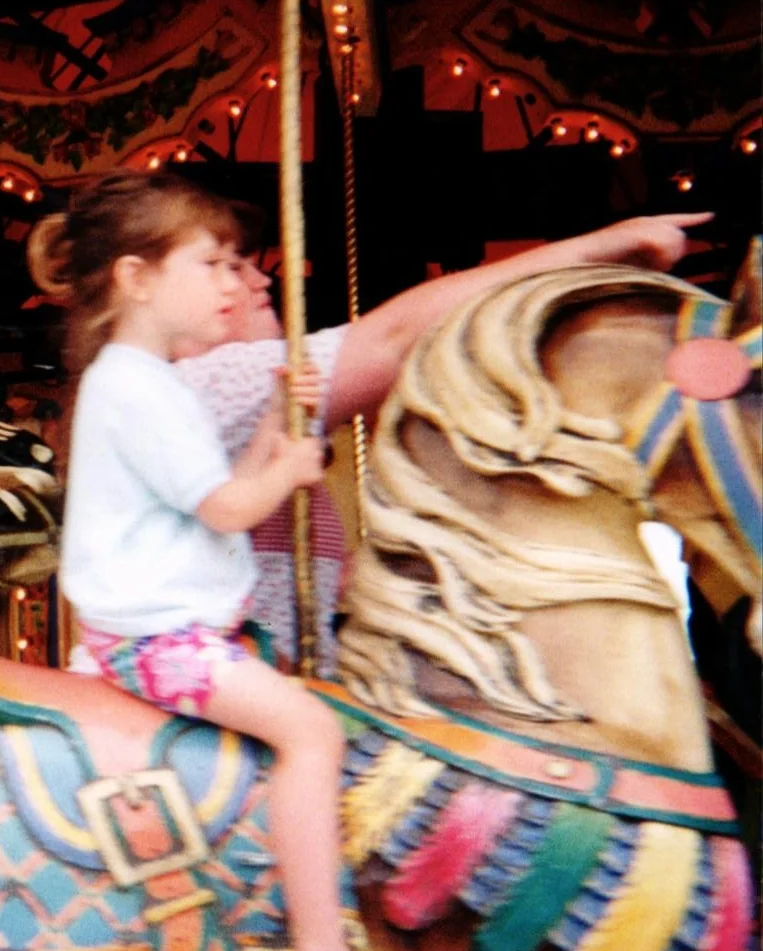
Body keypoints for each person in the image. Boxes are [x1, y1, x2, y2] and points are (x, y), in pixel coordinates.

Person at [30, 171, 386, 951]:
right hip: (157, 640)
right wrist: (293, 467)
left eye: (235, 264)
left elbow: (216, 486)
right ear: (136, 277)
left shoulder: (146, 378)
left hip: (183, 628)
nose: (234, 280)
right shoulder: (130, 384)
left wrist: (272, 421)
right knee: (312, 730)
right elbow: (228, 507)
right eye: (212, 263)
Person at [171, 210, 700, 671]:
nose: (260, 281)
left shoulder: (245, 402)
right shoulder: (212, 383)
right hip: (245, 685)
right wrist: (596, 249)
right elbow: (395, 340)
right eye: (229, 269)